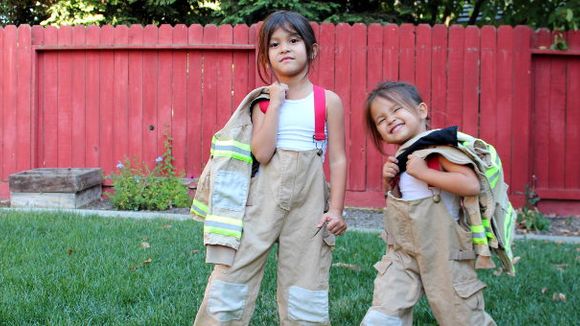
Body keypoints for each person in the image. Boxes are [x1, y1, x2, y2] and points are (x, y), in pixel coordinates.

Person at [193, 10, 347, 326]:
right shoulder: (263, 103)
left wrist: (336, 210)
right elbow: (262, 153)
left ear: (312, 50)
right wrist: (276, 102)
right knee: (237, 267)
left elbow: (339, 159)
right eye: (275, 45)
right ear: (266, 57)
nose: (284, 49)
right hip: (263, 197)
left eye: (293, 40)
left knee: (306, 277)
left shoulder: (327, 101)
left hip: (310, 203)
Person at [360, 81, 496, 326]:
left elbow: (470, 184)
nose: (389, 119)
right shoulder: (402, 157)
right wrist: (388, 182)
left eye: (396, 110)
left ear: (421, 110)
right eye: (380, 119)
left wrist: (425, 173)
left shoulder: (438, 148)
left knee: (459, 313)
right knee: (386, 307)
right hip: (403, 250)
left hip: (444, 250)